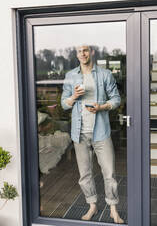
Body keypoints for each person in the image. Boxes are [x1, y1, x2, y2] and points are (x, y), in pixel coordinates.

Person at [61, 45, 124, 224]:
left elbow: (116, 99)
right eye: (80, 51)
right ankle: (92, 206)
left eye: (86, 50)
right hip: (79, 133)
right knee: (85, 174)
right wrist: (73, 97)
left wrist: (101, 107)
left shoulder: (104, 74)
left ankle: (113, 209)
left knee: (109, 173)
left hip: (101, 132)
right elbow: (64, 104)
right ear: (76, 54)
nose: (83, 53)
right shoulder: (70, 76)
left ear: (92, 53)